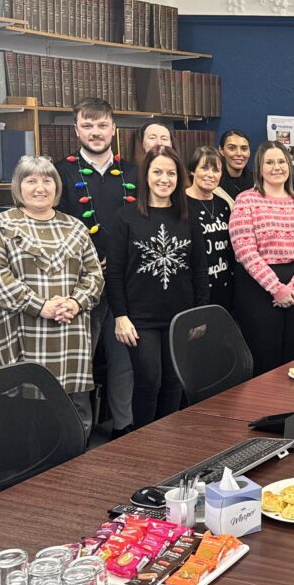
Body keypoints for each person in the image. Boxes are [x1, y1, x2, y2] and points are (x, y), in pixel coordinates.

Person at [0, 156, 104, 439]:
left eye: (47, 180)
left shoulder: (75, 226)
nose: (40, 187)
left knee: (72, 419)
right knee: (24, 425)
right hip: (21, 336)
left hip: (70, 336)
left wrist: (75, 302)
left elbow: (94, 275)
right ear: (18, 186)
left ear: (57, 186)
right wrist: (41, 307)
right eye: (31, 180)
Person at [107, 146, 208, 428]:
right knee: (149, 380)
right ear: (146, 175)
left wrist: (199, 315)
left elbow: (200, 271)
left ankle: (167, 439)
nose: (165, 179)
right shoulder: (125, 217)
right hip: (139, 319)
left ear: (179, 178)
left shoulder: (188, 218)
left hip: (180, 317)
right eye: (158, 172)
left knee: (174, 382)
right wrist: (120, 316)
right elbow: (114, 273)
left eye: (171, 173)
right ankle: (143, 439)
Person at [55, 97, 138, 438]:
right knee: (80, 362)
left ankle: (123, 427)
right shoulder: (61, 172)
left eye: (102, 125)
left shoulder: (132, 172)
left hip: (124, 284)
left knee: (123, 360)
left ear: (114, 129)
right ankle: (79, 433)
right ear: (76, 130)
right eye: (87, 125)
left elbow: (141, 224)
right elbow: (56, 225)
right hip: (79, 287)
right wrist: (89, 262)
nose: (96, 132)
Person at [229, 141, 294, 375]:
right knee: (264, 358)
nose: (276, 167)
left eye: (281, 162)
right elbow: (244, 250)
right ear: (259, 168)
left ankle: (292, 411)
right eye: (269, 162)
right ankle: (264, 412)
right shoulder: (246, 200)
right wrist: (276, 289)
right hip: (259, 291)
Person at [186, 146, 234, 312]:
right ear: (192, 170)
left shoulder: (223, 204)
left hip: (224, 287)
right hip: (194, 290)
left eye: (216, 170)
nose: (210, 175)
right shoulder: (181, 204)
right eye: (204, 168)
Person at [218, 129, 254, 200]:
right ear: (221, 150)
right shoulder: (214, 181)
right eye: (232, 148)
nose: (239, 154)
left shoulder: (258, 182)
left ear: (249, 152)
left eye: (244, 149)